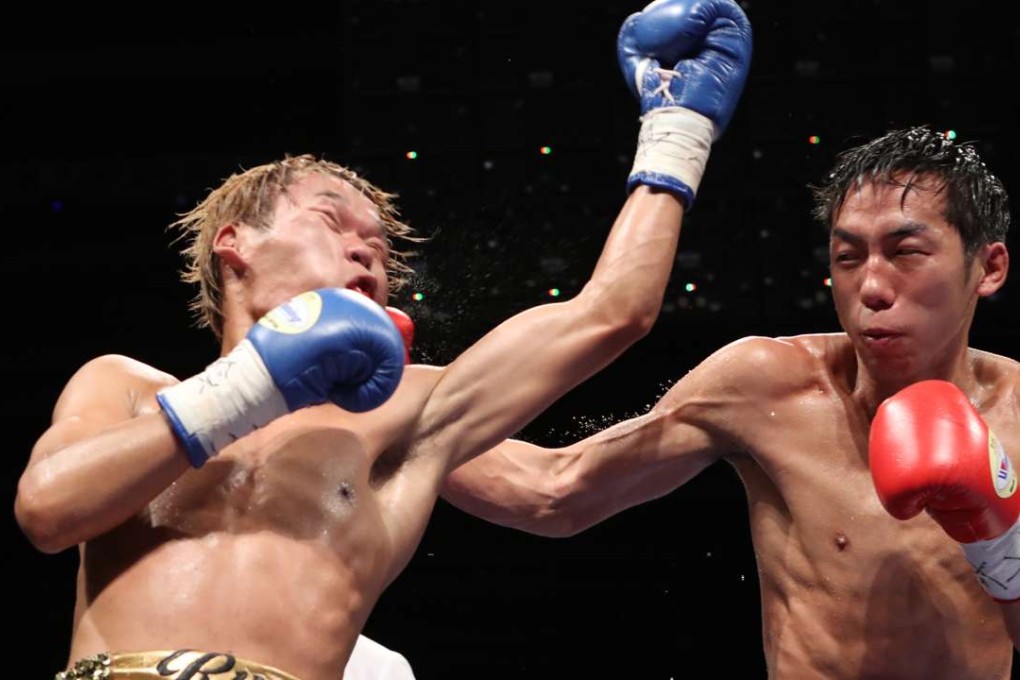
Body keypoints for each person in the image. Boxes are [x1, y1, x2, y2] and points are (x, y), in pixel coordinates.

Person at [13, 1, 753, 678]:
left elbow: (611, 311)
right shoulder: (125, 386)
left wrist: (677, 134)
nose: (368, 252)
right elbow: (47, 512)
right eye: (334, 223)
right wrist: (255, 383)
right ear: (235, 245)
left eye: (380, 247)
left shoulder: (406, 413)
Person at [441, 124, 1016, 679]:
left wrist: (1001, 542)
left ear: (988, 268)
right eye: (847, 257)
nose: (870, 286)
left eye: (905, 252)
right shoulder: (766, 385)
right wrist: (392, 411)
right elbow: (553, 491)